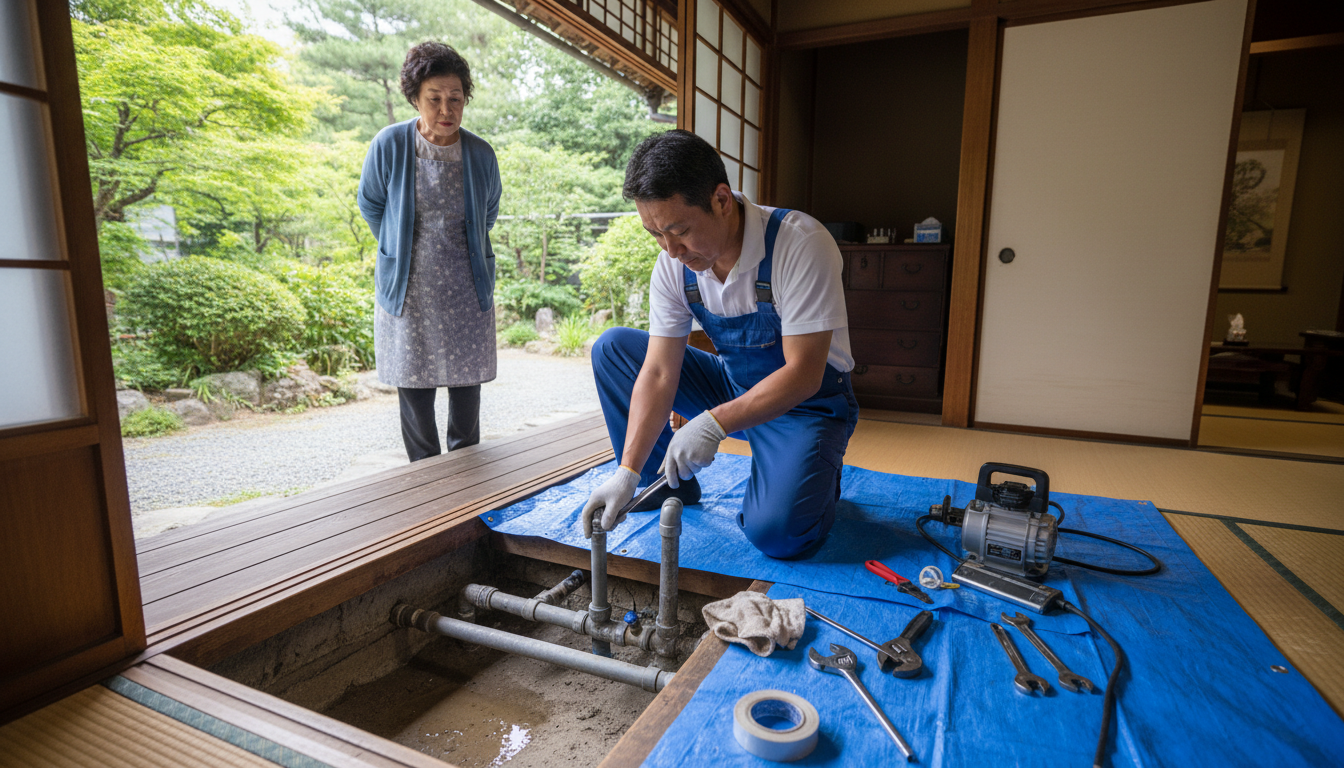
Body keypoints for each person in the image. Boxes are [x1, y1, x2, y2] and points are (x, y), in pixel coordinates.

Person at [580, 130, 858, 558]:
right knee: (615, 348)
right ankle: (664, 484)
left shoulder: (799, 244)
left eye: (679, 231)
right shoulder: (674, 265)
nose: (671, 250)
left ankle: (819, 474)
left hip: (806, 406)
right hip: (732, 385)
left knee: (777, 534)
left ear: (722, 200)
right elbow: (658, 371)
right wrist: (628, 471)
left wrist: (713, 423)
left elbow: (804, 374)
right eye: (655, 234)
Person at [357, 42, 501, 462]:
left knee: (466, 388)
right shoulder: (389, 144)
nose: (445, 108)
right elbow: (371, 203)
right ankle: (425, 478)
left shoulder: (480, 153)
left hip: (464, 283)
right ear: (415, 98)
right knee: (415, 388)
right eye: (434, 98)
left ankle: (465, 474)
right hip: (410, 285)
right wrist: (394, 246)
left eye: (455, 98)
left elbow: (488, 211)